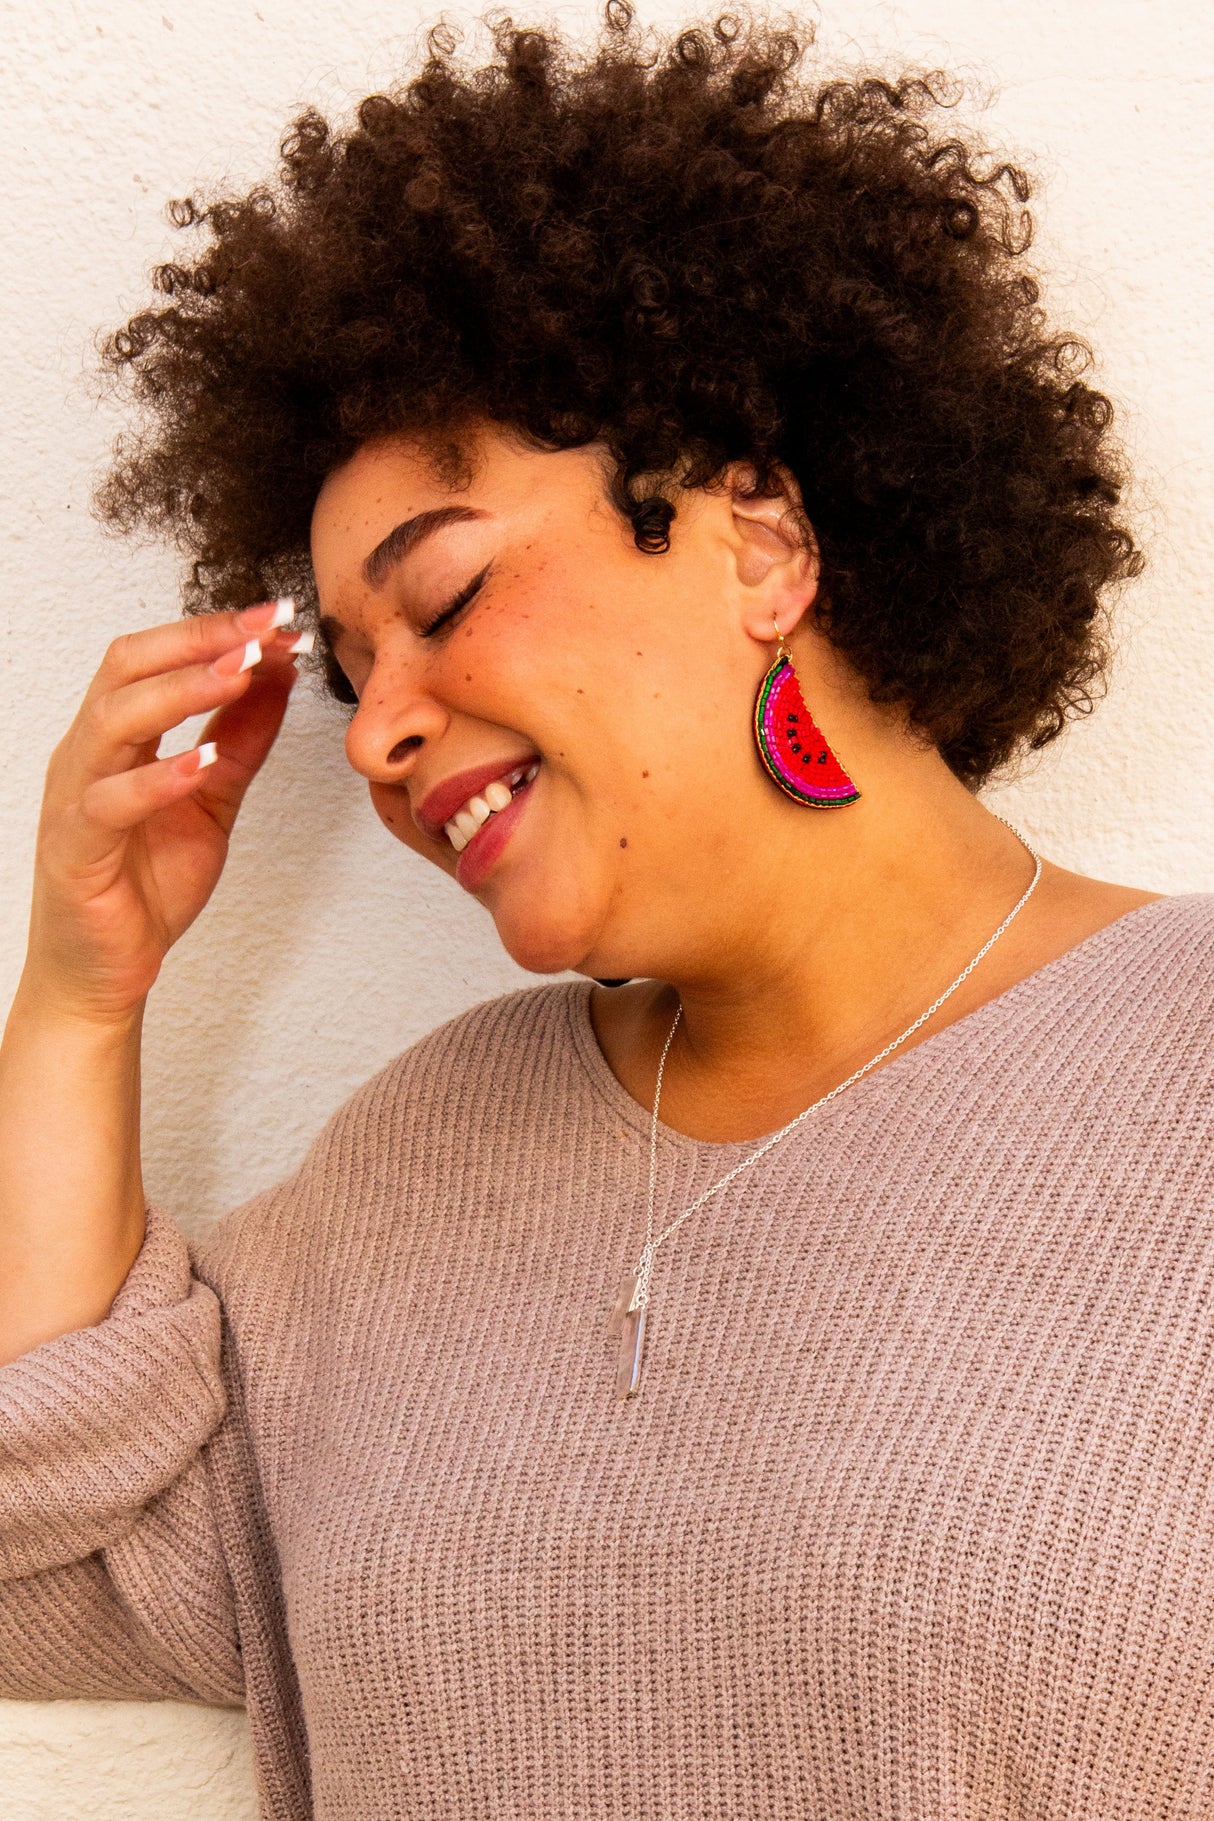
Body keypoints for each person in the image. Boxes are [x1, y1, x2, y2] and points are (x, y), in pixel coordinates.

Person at [2, 7, 1211, 1817]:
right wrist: (84, 992)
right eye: (350, 672)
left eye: (448, 594)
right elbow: (36, 1559)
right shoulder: (409, 1168)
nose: (385, 723)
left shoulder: (1182, 1072)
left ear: (760, 539)